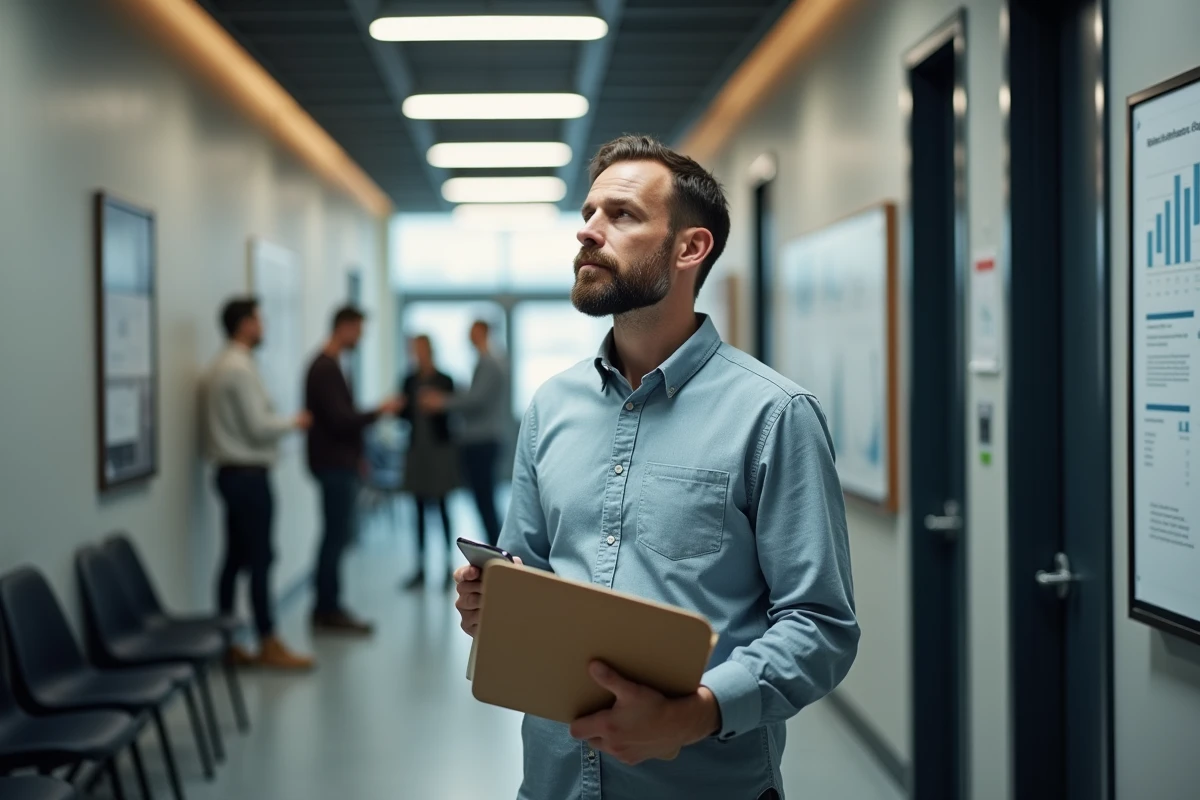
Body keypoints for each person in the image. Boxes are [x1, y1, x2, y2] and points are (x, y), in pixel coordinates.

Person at [453, 136, 859, 800]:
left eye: (622, 215)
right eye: (588, 213)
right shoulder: (551, 406)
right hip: (554, 782)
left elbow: (820, 626)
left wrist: (696, 712)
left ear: (689, 248)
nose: (588, 231)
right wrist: (489, 603)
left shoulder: (774, 415)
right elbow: (528, 572)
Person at [200, 297, 315, 670]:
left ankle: (227, 641)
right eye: (258, 320)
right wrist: (294, 423)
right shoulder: (238, 368)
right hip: (248, 477)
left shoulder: (223, 364)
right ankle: (268, 641)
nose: (263, 326)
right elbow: (258, 426)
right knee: (260, 559)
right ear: (244, 325)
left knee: (235, 559)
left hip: (232, 475)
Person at [305, 305, 402, 635]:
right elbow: (342, 421)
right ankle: (327, 609)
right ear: (344, 328)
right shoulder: (325, 368)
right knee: (335, 538)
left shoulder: (332, 366)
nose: (361, 337)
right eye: (359, 330)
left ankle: (328, 606)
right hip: (332, 466)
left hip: (338, 463)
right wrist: (380, 411)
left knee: (335, 536)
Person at [419, 320, 509, 546]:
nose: (470, 338)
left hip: (482, 440)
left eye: (474, 333)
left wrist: (442, 402)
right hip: (481, 440)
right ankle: (496, 553)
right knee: (483, 501)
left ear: (485, 333)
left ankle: (497, 556)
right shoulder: (487, 362)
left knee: (485, 501)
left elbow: (476, 400)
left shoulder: (489, 362)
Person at [399, 334, 459, 590]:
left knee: (443, 506)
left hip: (440, 450)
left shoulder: (445, 380)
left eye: (421, 349)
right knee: (419, 509)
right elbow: (403, 414)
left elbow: (454, 410)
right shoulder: (408, 380)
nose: (418, 353)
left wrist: (438, 405)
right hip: (416, 450)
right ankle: (421, 567)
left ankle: (447, 566)